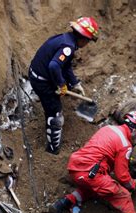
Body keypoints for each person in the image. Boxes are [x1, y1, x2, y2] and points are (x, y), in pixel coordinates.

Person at [28, 17, 99, 155]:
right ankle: (52, 150)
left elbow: (65, 66)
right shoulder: (68, 47)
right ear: (84, 39)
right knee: (55, 114)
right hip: (41, 81)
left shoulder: (66, 39)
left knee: (61, 77)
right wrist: (61, 85)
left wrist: (74, 82)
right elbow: (54, 66)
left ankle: (46, 97)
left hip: (37, 72)